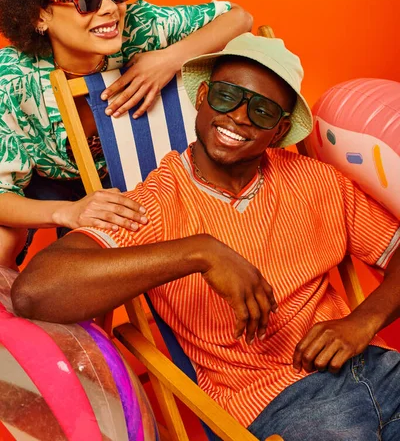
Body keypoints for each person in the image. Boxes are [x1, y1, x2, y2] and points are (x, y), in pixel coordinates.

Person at [12, 33, 400, 441]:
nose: (240, 117)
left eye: (263, 111)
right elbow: (35, 292)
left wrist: (362, 321)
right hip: (287, 404)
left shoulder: (318, 180)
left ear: (281, 129)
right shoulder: (156, 204)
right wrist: (198, 253)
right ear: (201, 97)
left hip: (378, 367)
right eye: (227, 95)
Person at [0, 0, 252, 268]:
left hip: (133, 179)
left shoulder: (139, 26)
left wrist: (167, 59)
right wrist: (65, 213)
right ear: (40, 14)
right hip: (48, 185)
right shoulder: (12, 80)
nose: (109, 8)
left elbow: (239, 18)